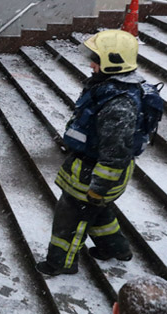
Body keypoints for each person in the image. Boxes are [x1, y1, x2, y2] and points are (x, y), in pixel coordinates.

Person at [36, 30, 146, 276]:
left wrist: (99, 188)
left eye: (96, 60)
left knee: (69, 220)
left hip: (94, 174)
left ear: (113, 62)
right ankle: (116, 248)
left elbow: (114, 155)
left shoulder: (118, 104)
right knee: (98, 212)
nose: (91, 64)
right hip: (89, 169)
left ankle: (60, 263)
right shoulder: (111, 89)